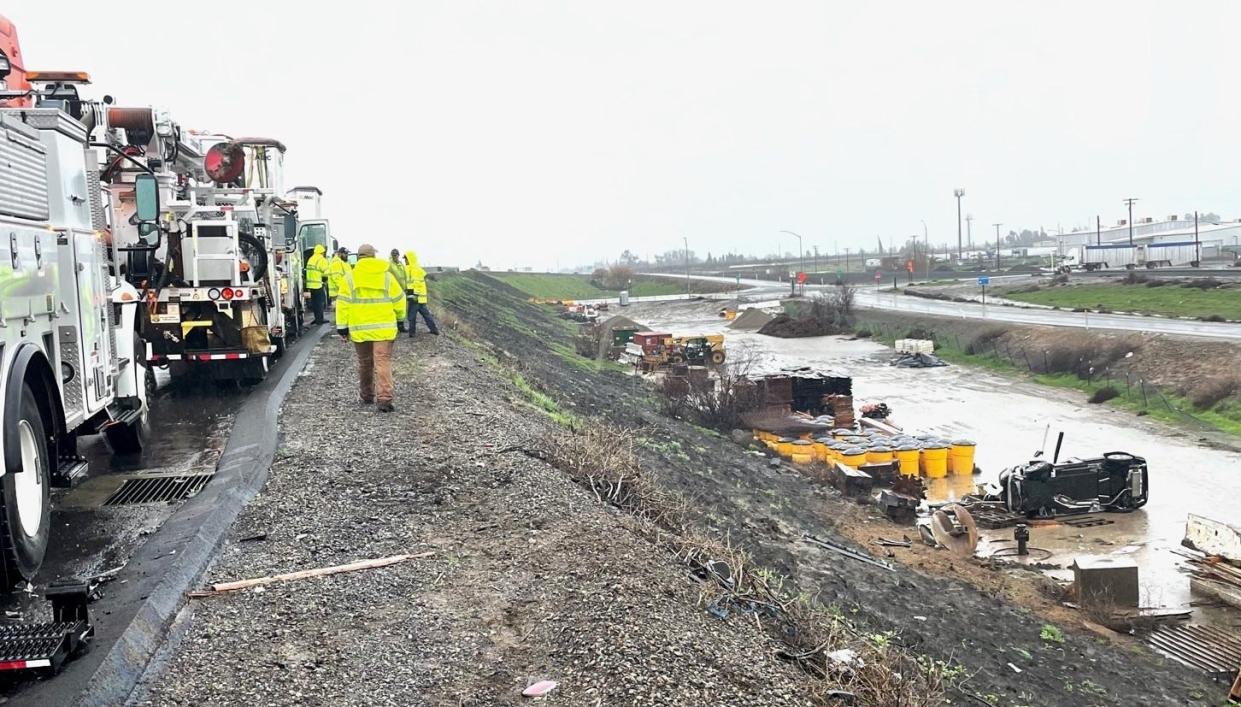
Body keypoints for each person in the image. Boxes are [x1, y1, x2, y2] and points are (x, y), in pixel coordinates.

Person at [336, 244, 406, 412]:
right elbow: (400, 300)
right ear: (373, 256)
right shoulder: (387, 277)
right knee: (383, 362)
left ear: (359, 257)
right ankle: (384, 399)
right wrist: (400, 319)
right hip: (384, 329)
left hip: (360, 329)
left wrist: (342, 328)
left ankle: (367, 395)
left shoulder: (350, 278)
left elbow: (342, 304)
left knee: (365, 363)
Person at [403, 250, 440, 337]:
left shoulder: (414, 269)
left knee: (411, 315)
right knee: (426, 315)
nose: (405, 261)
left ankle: (412, 333)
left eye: (406, 259)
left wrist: (414, 295)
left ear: (410, 259)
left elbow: (416, 283)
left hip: (416, 298)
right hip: (420, 298)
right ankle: (434, 330)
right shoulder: (416, 268)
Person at [305, 244, 329, 324]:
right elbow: (326, 272)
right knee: (320, 303)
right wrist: (325, 279)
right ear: (322, 252)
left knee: (315, 303)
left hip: (310, 285)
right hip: (318, 284)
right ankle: (320, 319)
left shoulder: (311, 259)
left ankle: (316, 318)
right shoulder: (322, 259)